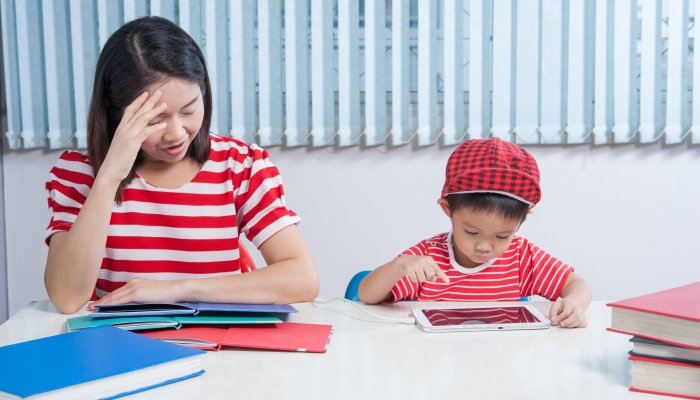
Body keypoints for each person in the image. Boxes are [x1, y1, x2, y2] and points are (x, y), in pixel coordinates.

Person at [44, 17, 318, 314]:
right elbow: (67, 298)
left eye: (189, 110)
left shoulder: (239, 166)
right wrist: (109, 176)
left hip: (221, 350)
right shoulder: (80, 173)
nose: (176, 134)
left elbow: (302, 279)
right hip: (122, 347)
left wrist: (177, 290)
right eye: (155, 120)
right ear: (115, 114)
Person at [358, 137, 592, 328]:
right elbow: (367, 295)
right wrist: (400, 266)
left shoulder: (521, 256)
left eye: (502, 236)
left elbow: (578, 284)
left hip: (497, 366)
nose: (484, 246)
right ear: (447, 208)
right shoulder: (429, 256)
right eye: (471, 232)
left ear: (523, 219)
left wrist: (573, 303)